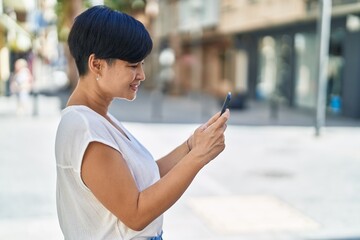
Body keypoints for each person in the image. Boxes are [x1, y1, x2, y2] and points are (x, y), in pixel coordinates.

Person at [55, 5, 230, 240]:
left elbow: (143, 178)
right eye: (132, 65)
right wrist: (199, 157)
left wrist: (191, 146)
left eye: (142, 64)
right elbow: (136, 213)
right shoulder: (85, 128)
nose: (142, 75)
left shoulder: (98, 118)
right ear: (96, 64)